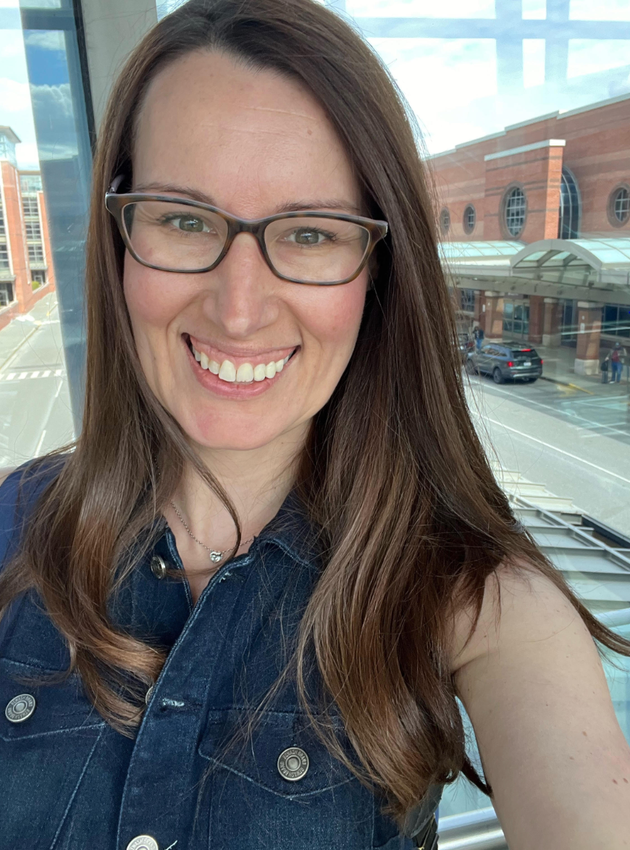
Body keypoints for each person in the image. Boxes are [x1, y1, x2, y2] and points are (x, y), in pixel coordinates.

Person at [1, 1, 629, 848]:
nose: (239, 306)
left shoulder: (474, 602)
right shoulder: (12, 530)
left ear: (378, 273)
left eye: (308, 233)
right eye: (185, 220)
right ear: (120, 237)